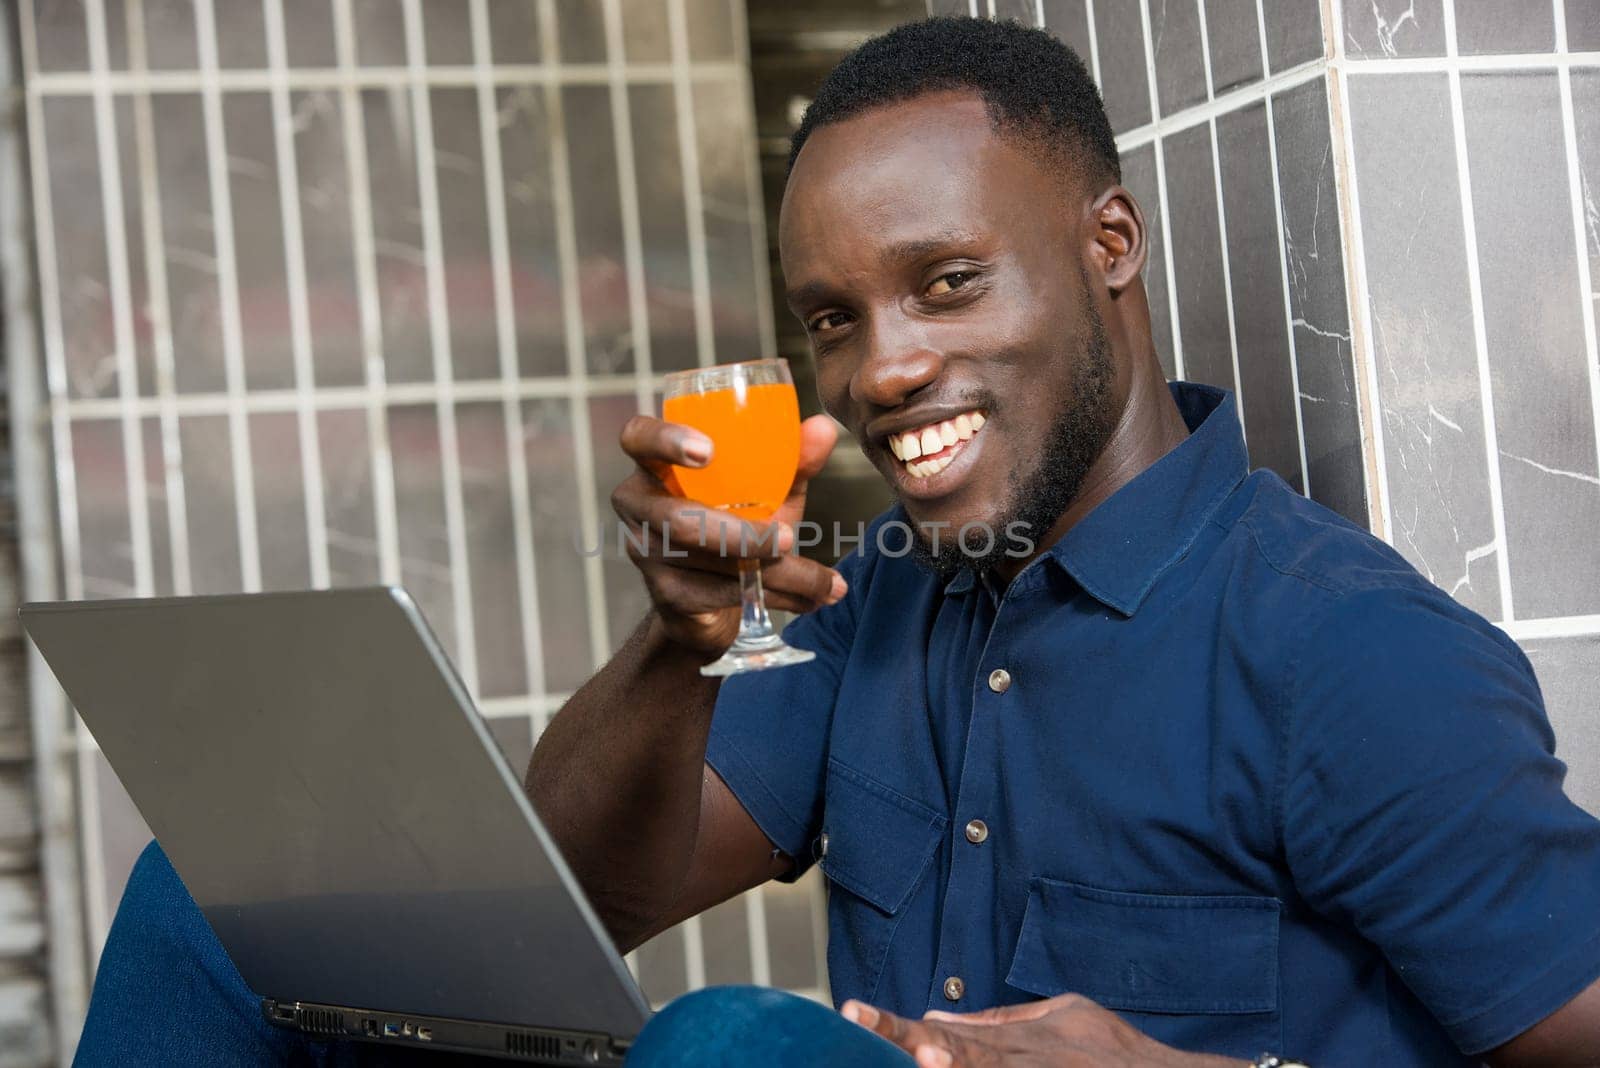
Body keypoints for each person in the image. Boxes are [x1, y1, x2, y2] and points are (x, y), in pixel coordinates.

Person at [75, 15, 1598, 1068]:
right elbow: (587, 897)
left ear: (1108, 250)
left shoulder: (1343, 645)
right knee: (216, 900)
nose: (878, 372)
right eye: (832, 319)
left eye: (945, 283)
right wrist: (680, 643)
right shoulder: (883, 604)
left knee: (732, 1045)